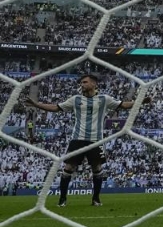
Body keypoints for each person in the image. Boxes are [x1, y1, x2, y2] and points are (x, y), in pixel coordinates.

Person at [25, 73, 151, 207]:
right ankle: (62, 200)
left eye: (85, 82)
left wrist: (141, 101)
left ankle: (96, 199)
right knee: (68, 167)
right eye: (81, 83)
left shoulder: (104, 99)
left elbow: (124, 105)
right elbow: (56, 107)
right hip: (77, 138)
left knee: (97, 168)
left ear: (93, 84)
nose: (82, 85)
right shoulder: (75, 99)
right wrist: (36, 105)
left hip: (95, 140)